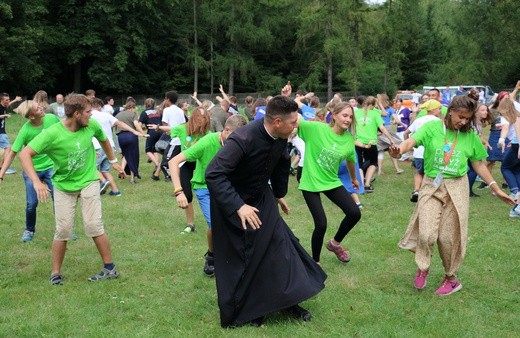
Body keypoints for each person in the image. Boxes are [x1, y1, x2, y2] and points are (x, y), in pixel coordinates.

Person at [205, 94, 326, 327]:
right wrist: (238, 206)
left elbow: (280, 162)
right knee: (246, 258)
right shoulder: (243, 138)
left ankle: (289, 300)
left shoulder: (281, 136)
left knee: (281, 247)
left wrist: (279, 194)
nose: (296, 125)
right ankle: (250, 311)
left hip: (261, 198)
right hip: (233, 204)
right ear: (277, 122)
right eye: (293, 122)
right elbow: (214, 174)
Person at [389, 93, 514, 296]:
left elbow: (478, 164)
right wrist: (399, 150)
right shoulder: (432, 128)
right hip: (431, 184)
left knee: (448, 238)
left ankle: (451, 278)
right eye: (460, 117)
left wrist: (496, 188)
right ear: (451, 112)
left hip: (457, 186)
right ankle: (423, 267)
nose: (463, 121)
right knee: (426, 233)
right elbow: (411, 141)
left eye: (467, 118)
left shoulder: (469, 135)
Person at [19, 93, 126, 285]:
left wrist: (113, 161)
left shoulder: (91, 125)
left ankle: (110, 268)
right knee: (63, 230)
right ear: (76, 114)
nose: (91, 116)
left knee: (94, 225)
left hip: (88, 180)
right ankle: (55, 273)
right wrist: (36, 182)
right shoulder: (52, 133)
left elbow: (104, 140)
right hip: (63, 185)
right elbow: (25, 154)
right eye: (87, 112)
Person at [169, 115, 247, 277]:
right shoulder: (207, 141)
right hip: (204, 188)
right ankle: (212, 255)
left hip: (227, 188)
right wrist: (179, 191)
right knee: (215, 225)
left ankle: (234, 258)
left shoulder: (240, 143)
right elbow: (173, 162)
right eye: (234, 138)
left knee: (237, 224)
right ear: (225, 131)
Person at [297, 101, 362, 264]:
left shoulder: (348, 139)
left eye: (350, 117)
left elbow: (350, 161)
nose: (348, 120)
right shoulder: (316, 129)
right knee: (321, 224)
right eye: (344, 115)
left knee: (354, 213)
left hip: (331, 181)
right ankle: (315, 262)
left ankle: (334, 243)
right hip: (310, 181)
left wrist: (354, 179)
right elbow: (294, 121)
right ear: (334, 115)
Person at [0, 101, 60, 242]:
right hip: (31, 169)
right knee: (31, 204)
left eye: (40, 106)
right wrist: (1, 173)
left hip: (51, 166)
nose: (41, 108)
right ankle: (29, 230)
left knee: (58, 200)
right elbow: (13, 153)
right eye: (38, 108)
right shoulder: (25, 131)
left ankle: (63, 229)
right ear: (32, 116)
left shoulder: (51, 119)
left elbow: (65, 130)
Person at [152, 106, 210, 233]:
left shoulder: (208, 134)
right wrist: (157, 128)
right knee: (187, 193)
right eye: (200, 117)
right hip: (187, 163)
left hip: (202, 164)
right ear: (194, 117)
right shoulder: (183, 129)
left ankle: (214, 222)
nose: (202, 120)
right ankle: (190, 224)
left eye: (205, 117)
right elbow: (170, 129)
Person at [354, 96, 397, 192]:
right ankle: (367, 184)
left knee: (359, 165)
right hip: (371, 142)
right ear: (373, 105)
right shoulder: (375, 113)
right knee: (373, 163)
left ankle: (360, 186)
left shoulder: (356, 112)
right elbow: (382, 128)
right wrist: (390, 139)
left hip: (358, 142)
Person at [404, 100, 442, 202]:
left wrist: (410, 146)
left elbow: (406, 133)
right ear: (434, 110)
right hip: (432, 152)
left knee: (419, 172)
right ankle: (431, 192)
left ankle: (416, 190)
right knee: (431, 173)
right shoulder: (438, 122)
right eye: (439, 108)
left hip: (418, 152)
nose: (440, 110)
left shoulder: (418, 120)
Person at [116, 100, 147, 184]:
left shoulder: (118, 114)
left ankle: (121, 170)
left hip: (121, 137)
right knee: (133, 157)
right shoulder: (133, 114)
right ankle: (132, 178)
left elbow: (114, 126)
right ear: (132, 108)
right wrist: (143, 133)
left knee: (125, 154)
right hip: (131, 137)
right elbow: (136, 125)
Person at [138, 98, 163, 180]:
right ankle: (157, 167)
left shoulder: (144, 112)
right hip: (160, 131)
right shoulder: (158, 111)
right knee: (155, 150)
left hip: (152, 132)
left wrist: (142, 133)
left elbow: (139, 124)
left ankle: (157, 164)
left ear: (145, 104)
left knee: (148, 150)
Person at [0, 92, 22, 174]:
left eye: (9, 99)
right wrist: (5, 116)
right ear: (1, 100)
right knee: (8, 149)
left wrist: (15, 100)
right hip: (1, 133)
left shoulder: (3, 106)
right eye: (6, 100)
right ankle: (4, 168)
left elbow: (8, 105)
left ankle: (2, 166)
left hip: (2, 132)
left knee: (7, 149)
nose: (8, 101)